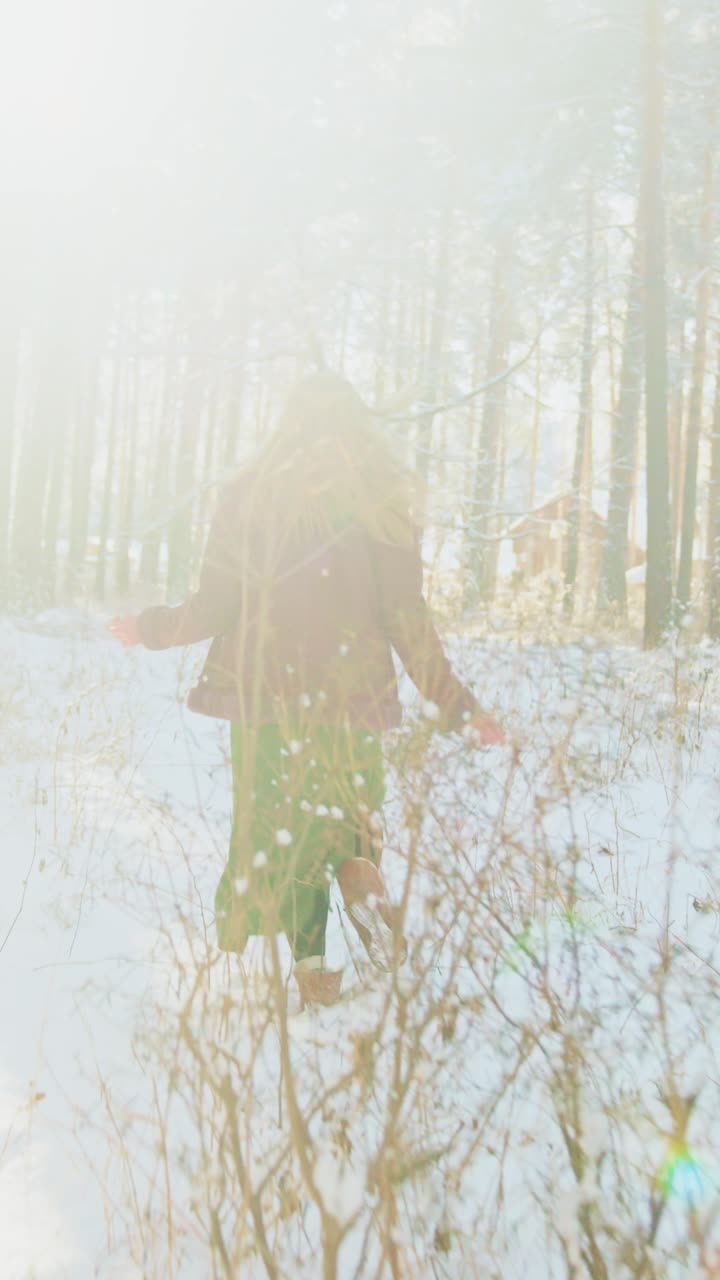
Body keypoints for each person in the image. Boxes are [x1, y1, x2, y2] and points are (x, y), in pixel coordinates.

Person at [109, 373, 503, 1007]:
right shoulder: (381, 502)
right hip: (353, 701)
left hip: (267, 702)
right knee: (349, 833)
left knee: (285, 837)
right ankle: (379, 932)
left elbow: (213, 606)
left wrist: (148, 628)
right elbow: (409, 620)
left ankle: (317, 978)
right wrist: (459, 706)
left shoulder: (248, 498)